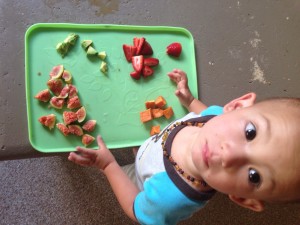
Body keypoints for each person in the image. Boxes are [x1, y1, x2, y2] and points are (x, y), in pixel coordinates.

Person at [68, 69, 300, 225]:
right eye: (251, 132)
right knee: (143, 151)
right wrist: (189, 100)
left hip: (141, 179)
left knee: (128, 173)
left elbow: (135, 208)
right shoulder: (215, 118)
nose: (229, 155)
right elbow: (207, 111)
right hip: (154, 147)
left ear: (243, 198)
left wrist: (109, 165)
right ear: (236, 106)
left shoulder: (169, 200)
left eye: (254, 176)